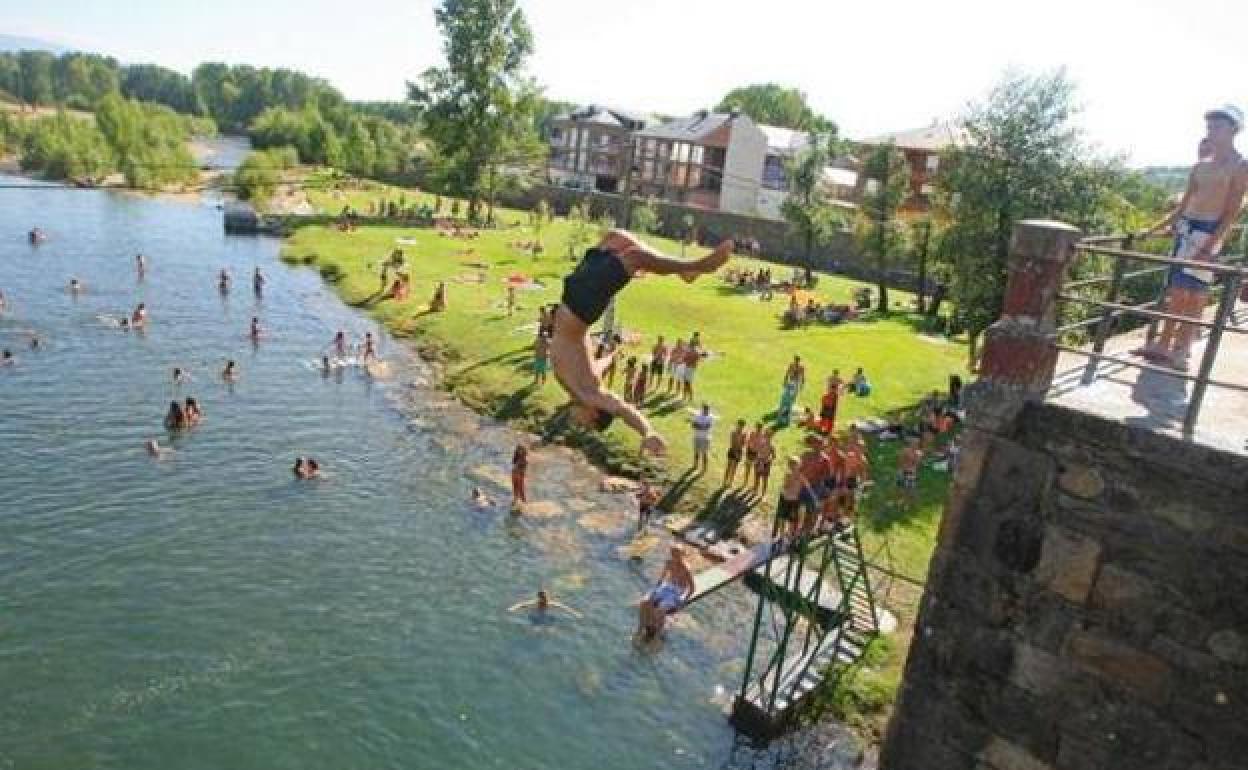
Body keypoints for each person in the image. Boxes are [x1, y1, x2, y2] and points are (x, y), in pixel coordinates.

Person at [551, 231, 733, 454]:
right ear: (595, 413)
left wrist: (609, 357)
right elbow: (626, 411)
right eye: (584, 424)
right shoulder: (593, 396)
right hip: (580, 305)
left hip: (575, 300)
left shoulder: (584, 387)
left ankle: (686, 271)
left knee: (615, 239)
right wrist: (647, 432)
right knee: (634, 258)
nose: (576, 423)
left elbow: (595, 368)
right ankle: (694, 266)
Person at [1137, 105, 1247, 369]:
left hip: (1210, 231)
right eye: (1210, 125)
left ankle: (1182, 350)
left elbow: (1232, 212)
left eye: (1218, 125)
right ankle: (1163, 345)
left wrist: (1209, 246)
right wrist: (1151, 230)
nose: (1212, 130)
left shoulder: (1241, 166)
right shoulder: (1200, 165)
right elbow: (1183, 205)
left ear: (1234, 129)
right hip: (1187, 230)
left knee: (1194, 292)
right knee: (1177, 291)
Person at [637, 546, 696, 640]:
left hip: (676, 591)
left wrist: (683, 600)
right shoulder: (669, 563)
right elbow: (662, 577)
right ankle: (640, 627)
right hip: (666, 586)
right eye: (673, 553)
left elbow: (692, 588)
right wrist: (654, 590)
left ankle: (657, 633)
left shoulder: (686, 569)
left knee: (660, 610)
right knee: (644, 602)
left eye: (677, 554)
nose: (674, 556)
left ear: (682, 555)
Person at [778, 456, 815, 539]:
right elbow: (785, 486)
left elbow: (807, 486)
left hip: (794, 500)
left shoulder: (801, 476)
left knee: (792, 518)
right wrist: (789, 482)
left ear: (799, 466)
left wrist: (811, 496)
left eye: (795, 465)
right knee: (783, 517)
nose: (793, 467)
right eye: (791, 465)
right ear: (789, 466)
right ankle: (781, 534)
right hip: (786, 498)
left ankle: (790, 533)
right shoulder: (788, 475)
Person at [509, 589, 581, 619]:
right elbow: (522, 604)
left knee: (550, 630)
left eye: (545, 598)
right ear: (539, 598)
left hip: (544, 616)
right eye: (543, 598)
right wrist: (513, 608)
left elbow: (564, 607)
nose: (545, 599)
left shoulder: (550, 603)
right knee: (535, 630)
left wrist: (575, 613)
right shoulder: (535, 603)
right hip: (535, 616)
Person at [690, 403, 715, 474]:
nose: (706, 411)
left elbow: (708, 426)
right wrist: (701, 426)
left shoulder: (710, 417)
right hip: (697, 437)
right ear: (703, 409)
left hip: (706, 438)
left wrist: (699, 426)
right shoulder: (697, 415)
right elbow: (693, 425)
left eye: (707, 409)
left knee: (704, 454)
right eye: (705, 409)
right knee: (696, 452)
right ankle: (695, 466)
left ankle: (704, 468)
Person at [897, 438, 923, 505]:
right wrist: (903, 468)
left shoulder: (919, 453)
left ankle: (913, 501)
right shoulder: (905, 451)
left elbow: (916, 465)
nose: (915, 445)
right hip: (903, 470)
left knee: (911, 487)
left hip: (911, 472)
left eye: (916, 444)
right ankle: (902, 499)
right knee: (901, 486)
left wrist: (911, 468)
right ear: (910, 444)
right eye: (913, 444)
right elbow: (900, 461)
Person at [723, 419, 748, 487]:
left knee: (734, 468)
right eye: (739, 425)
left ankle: (730, 481)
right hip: (732, 450)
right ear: (737, 425)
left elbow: (743, 444)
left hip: (739, 451)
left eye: (742, 426)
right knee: (729, 466)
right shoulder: (733, 432)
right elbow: (732, 443)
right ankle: (725, 480)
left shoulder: (744, 434)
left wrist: (738, 451)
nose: (740, 427)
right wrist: (735, 451)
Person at [752, 429, 776, 496]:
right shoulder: (760, 443)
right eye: (766, 435)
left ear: (771, 437)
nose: (768, 437)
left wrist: (768, 460)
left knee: (765, 479)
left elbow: (774, 456)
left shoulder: (772, 446)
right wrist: (758, 460)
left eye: (769, 436)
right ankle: (755, 491)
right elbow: (756, 451)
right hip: (759, 462)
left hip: (766, 464)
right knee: (757, 477)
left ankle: (763, 494)